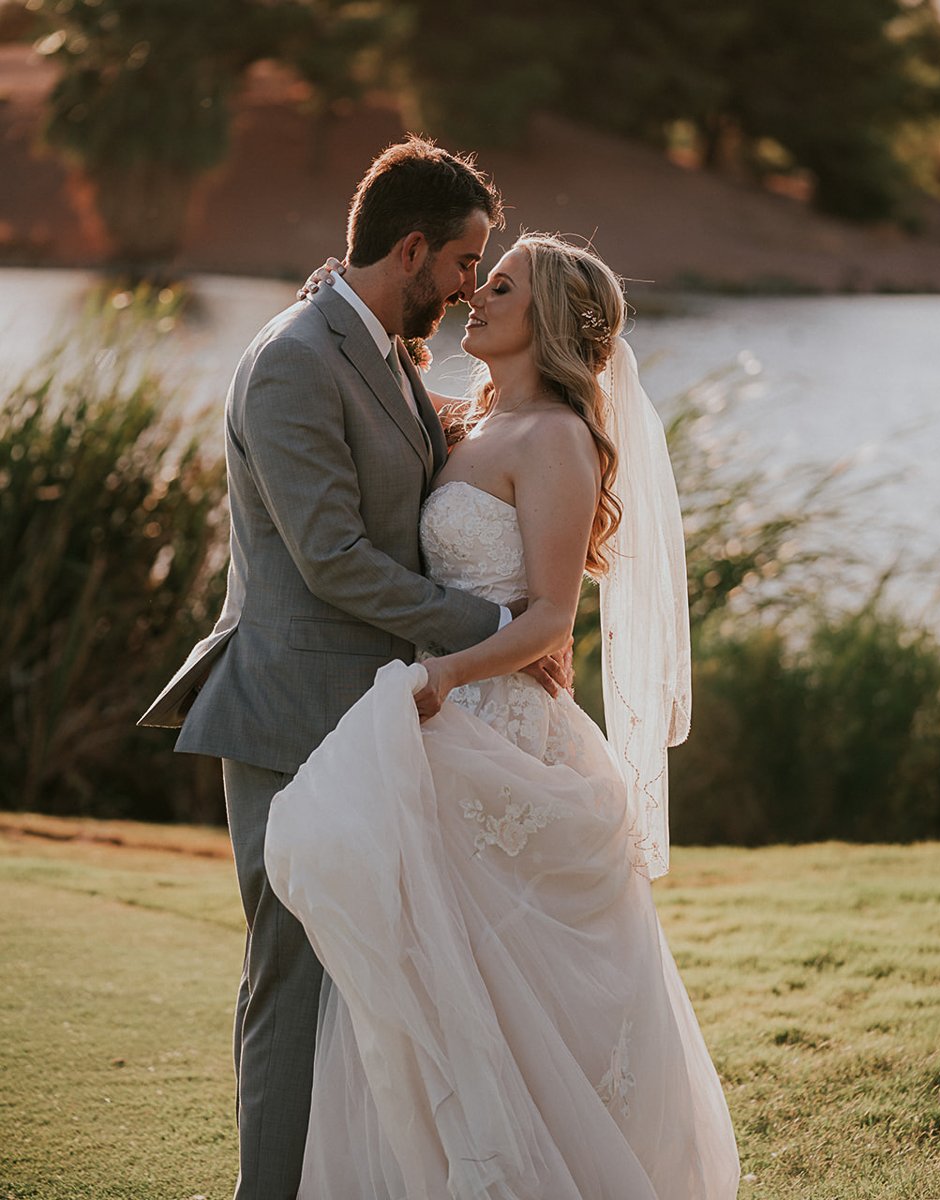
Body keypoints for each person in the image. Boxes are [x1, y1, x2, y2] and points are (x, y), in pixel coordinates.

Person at [264, 234, 742, 1198]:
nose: (473, 296)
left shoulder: (559, 438)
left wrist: (443, 675)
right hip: (444, 729)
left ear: (549, 320)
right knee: (428, 975)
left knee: (501, 984)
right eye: (478, 278)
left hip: (500, 728)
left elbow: (553, 621)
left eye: (499, 285)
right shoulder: (468, 423)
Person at [138, 138, 566, 1200]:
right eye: (467, 262)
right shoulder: (293, 357)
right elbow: (329, 557)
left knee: (382, 980)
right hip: (291, 716)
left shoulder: (376, 346)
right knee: (292, 978)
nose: (472, 284)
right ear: (413, 250)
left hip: (384, 718)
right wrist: (493, 621)